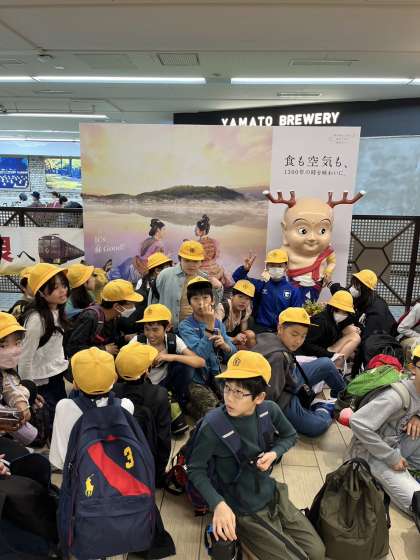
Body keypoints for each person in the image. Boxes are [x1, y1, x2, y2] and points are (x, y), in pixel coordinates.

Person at [188, 350, 325, 560]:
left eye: (239, 392)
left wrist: (274, 453)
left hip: (271, 493)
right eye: (227, 388)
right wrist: (218, 504)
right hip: (241, 505)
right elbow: (195, 470)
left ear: (259, 397)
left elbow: (290, 435)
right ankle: (243, 536)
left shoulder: (269, 410)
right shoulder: (213, 426)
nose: (229, 398)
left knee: (318, 552)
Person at [349, 344, 420, 527]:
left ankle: (403, 474)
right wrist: (391, 457)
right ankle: (387, 479)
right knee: (417, 499)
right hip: (371, 453)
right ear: (413, 368)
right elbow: (358, 422)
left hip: (397, 443)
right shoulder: (395, 397)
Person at [253, 307, 346, 437]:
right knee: (318, 426)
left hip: (288, 378)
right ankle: (324, 407)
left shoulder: (267, 336)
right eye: (294, 334)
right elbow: (269, 398)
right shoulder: (277, 357)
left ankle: (344, 396)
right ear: (280, 328)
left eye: (303, 336)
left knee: (326, 364)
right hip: (282, 398)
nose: (298, 341)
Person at [18, 263, 70, 429]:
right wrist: (29, 392)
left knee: (61, 420)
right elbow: (24, 358)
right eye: (55, 288)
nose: (62, 290)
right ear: (41, 292)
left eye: (64, 285)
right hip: (41, 383)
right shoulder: (36, 319)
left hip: (55, 375)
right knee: (50, 424)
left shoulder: (57, 310)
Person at [114, 342, 172, 487]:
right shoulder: (159, 394)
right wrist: (158, 475)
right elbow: (163, 438)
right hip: (147, 463)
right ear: (146, 371)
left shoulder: (113, 392)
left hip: (118, 461)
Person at [134, 303, 205, 419]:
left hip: (165, 383)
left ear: (167, 327)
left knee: (186, 366)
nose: (150, 335)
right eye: (147, 329)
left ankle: (177, 399)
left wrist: (171, 356)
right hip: (143, 385)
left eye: (155, 330)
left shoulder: (173, 340)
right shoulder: (138, 341)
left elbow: (200, 362)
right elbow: (122, 364)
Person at [179, 277, 236, 419]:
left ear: (212, 300)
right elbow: (200, 356)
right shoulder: (185, 326)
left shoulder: (218, 323)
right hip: (196, 379)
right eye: (195, 299)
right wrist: (209, 326)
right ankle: (187, 404)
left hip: (217, 374)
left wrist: (225, 346)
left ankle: (191, 406)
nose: (201, 303)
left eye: (205, 298)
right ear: (190, 303)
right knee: (215, 414)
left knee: (234, 406)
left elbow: (232, 352)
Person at [65, 279, 143, 360]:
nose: (133, 307)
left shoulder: (113, 317)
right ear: (117, 306)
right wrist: (103, 349)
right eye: (130, 304)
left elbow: (109, 342)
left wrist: (124, 338)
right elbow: (73, 348)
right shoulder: (90, 317)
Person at [156, 240, 223, 332]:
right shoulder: (165, 275)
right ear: (180, 259)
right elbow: (153, 301)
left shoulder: (205, 278)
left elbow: (212, 305)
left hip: (193, 331)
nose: (191, 265)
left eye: (195, 261)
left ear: (201, 262)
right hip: (168, 330)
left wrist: (218, 288)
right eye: (187, 260)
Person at [232, 249, 301, 332]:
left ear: (286, 267)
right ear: (267, 267)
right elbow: (238, 279)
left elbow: (295, 316)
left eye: (279, 266)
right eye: (272, 265)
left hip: (282, 331)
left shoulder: (293, 290)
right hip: (260, 329)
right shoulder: (261, 286)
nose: (276, 269)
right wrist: (244, 269)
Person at [300, 290, 361, 370]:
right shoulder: (321, 320)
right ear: (332, 308)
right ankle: (335, 368)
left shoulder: (335, 320)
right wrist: (330, 354)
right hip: (315, 356)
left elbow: (351, 321)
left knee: (354, 332)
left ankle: (336, 367)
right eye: (339, 310)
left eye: (345, 312)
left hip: (326, 351)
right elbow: (307, 345)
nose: (342, 314)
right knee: (355, 337)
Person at [330, 269, 397, 340]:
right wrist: (330, 284)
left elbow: (370, 337)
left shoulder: (376, 309)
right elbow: (343, 294)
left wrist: (352, 332)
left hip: (381, 339)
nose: (352, 288)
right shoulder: (360, 296)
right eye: (354, 284)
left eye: (357, 286)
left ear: (365, 289)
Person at [216, 279, 256, 350]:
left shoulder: (247, 308)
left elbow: (243, 325)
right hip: (219, 336)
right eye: (240, 296)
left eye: (247, 298)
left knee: (250, 335)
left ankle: (250, 355)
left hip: (233, 333)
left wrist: (242, 337)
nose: (243, 301)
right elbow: (215, 332)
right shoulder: (222, 307)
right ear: (232, 296)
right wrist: (234, 339)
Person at [195, 214, 233, 287]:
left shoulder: (197, 243)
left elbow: (196, 258)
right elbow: (216, 256)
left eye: (196, 229)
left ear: (203, 231)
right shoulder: (214, 242)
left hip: (202, 269)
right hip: (215, 267)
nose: (195, 231)